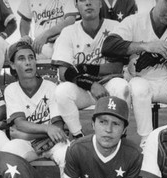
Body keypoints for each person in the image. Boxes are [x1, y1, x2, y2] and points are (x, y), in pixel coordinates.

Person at [101, 0, 167, 147]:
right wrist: (145, 46)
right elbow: (108, 46)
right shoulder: (135, 20)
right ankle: (147, 141)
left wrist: (158, 55)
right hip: (139, 80)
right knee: (139, 87)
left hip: (166, 82)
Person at [0, 40, 69, 173]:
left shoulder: (51, 87)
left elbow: (57, 127)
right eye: (21, 58)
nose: (28, 62)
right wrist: (46, 129)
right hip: (30, 142)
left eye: (31, 57)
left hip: (53, 142)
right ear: (12, 65)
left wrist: (25, 135)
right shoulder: (11, 89)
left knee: (65, 155)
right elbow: (20, 124)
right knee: (8, 157)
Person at [52, 0, 129, 139]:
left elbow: (116, 67)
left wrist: (84, 68)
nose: (88, 3)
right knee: (61, 92)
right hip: (81, 89)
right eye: (82, 0)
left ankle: (119, 137)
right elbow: (64, 73)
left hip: (107, 85)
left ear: (100, 4)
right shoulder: (68, 32)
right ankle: (78, 137)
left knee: (122, 86)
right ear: (76, 6)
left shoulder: (115, 27)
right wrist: (90, 84)